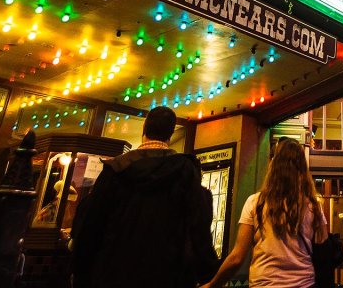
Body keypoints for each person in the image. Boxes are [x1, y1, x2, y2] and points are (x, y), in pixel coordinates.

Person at [70, 106, 218, 288]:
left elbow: (92, 224)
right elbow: (199, 226)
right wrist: (208, 273)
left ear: (144, 129)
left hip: (115, 271)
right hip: (168, 273)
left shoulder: (116, 169)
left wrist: (80, 271)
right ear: (170, 134)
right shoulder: (185, 171)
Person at [202, 138, 328, 288]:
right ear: (302, 168)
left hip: (264, 283)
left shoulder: (255, 203)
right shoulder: (313, 206)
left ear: (273, 165)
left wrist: (212, 284)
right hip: (304, 283)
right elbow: (323, 245)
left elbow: (237, 258)